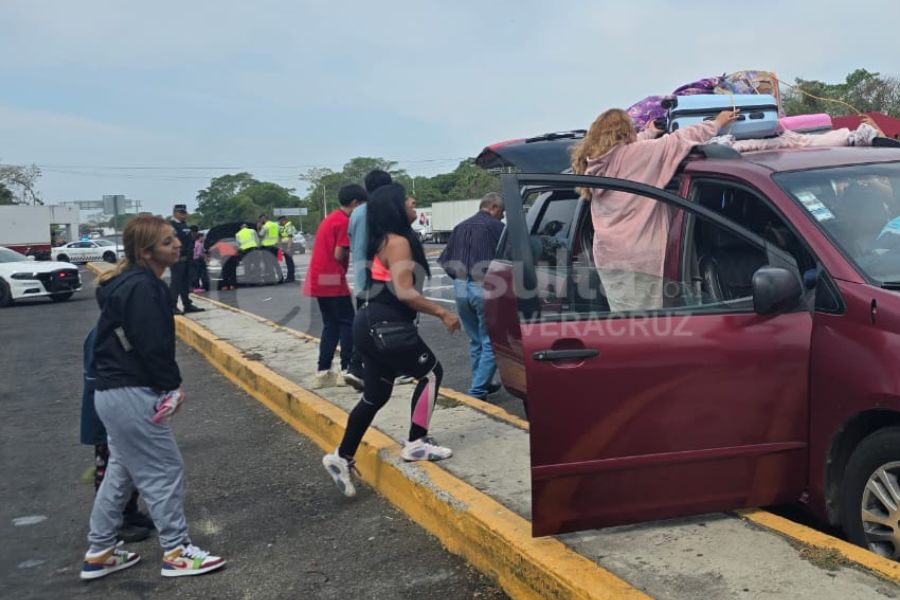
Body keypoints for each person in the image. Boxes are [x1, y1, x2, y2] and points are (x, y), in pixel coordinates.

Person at [80, 215, 225, 580]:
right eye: (166, 241)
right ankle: (176, 551)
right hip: (131, 392)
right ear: (146, 252)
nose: (177, 244)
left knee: (121, 472)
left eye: (174, 238)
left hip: (112, 393)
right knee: (164, 470)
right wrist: (171, 386)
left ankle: (100, 551)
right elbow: (152, 346)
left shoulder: (127, 284)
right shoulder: (144, 288)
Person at [322, 183, 461, 498]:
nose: (414, 203)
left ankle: (341, 456)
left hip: (369, 324)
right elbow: (405, 292)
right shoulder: (397, 242)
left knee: (375, 396)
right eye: (409, 201)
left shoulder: (384, 240)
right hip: (385, 325)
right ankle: (416, 442)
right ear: (395, 207)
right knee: (431, 373)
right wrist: (443, 312)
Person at [80, 327, 155, 544]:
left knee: (132, 468)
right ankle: (115, 522)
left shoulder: (120, 330)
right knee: (110, 472)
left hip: (123, 410)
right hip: (108, 415)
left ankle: (129, 511)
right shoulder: (105, 334)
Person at [438, 192, 505, 400]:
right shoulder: (497, 227)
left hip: (460, 287)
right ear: (494, 207)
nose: (502, 216)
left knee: (476, 340)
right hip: (483, 285)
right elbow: (510, 259)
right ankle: (476, 390)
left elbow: (445, 261)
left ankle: (482, 383)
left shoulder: (460, 227)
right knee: (492, 341)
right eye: (502, 212)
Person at [303, 184, 366, 386]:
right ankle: (347, 367)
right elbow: (339, 254)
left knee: (331, 324)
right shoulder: (344, 221)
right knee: (348, 322)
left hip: (319, 276)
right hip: (331, 276)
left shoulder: (330, 218)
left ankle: (323, 370)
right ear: (355, 203)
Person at [344, 169, 393, 391]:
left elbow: (352, 241)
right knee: (382, 326)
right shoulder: (384, 210)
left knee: (366, 326)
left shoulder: (356, 213)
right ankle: (357, 367)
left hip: (361, 279)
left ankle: (364, 371)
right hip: (379, 280)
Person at [167, 204, 204, 314]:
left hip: (188, 257)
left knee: (186, 282)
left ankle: (187, 304)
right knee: (176, 282)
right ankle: (172, 305)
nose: (183, 215)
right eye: (181, 213)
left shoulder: (184, 225)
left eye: (184, 213)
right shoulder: (171, 226)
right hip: (178, 258)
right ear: (175, 213)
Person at [222, 222, 259, 290]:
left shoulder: (238, 234)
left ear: (241, 227)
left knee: (247, 267)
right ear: (246, 226)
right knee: (256, 265)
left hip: (244, 251)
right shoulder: (252, 231)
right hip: (253, 249)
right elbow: (257, 240)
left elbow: (238, 245)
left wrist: (240, 251)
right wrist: (258, 247)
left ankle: (248, 283)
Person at [257, 214, 284, 282]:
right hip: (275, 246)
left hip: (267, 247)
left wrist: (259, 228)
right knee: (275, 263)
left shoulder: (265, 226)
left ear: (263, 219)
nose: (260, 221)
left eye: (260, 220)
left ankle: (272, 278)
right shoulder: (276, 224)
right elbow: (281, 233)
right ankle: (281, 278)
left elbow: (260, 235)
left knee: (269, 263)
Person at [277, 215, 297, 282]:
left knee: (289, 262)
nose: (279, 222)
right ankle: (290, 277)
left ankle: (291, 277)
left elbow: (290, 237)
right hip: (285, 245)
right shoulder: (284, 226)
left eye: (280, 221)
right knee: (288, 262)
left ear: (284, 220)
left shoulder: (289, 226)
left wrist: (288, 248)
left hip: (288, 245)